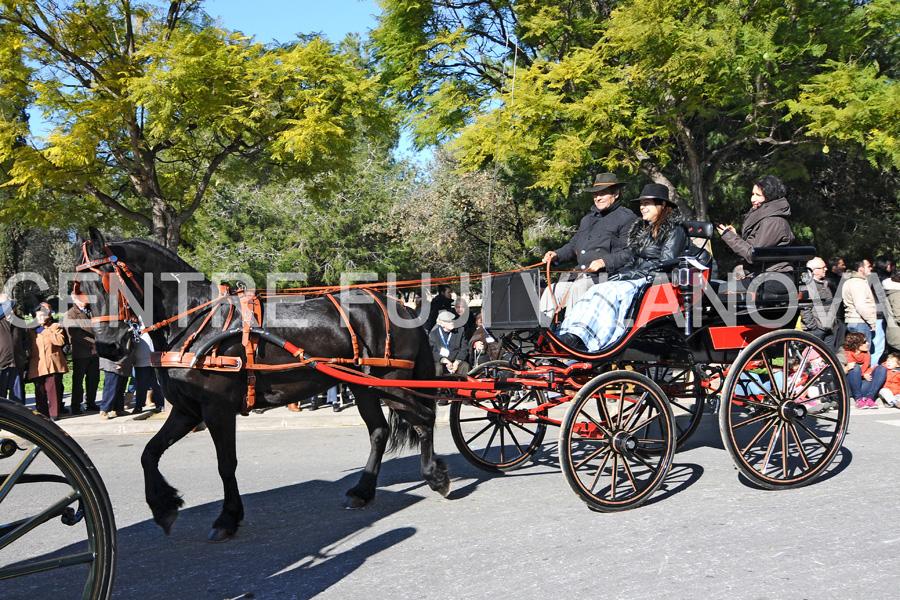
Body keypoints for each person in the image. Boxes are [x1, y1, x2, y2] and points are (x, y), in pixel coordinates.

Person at [557, 183, 687, 353]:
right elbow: (631, 258)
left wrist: (631, 275)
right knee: (598, 289)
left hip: (653, 281)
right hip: (637, 277)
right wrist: (622, 273)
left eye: (647, 204)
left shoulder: (675, 230)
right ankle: (572, 332)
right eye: (641, 204)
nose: (642, 208)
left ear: (661, 205)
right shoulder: (642, 230)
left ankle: (587, 338)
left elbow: (665, 264)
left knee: (608, 291)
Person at [540, 173, 638, 321]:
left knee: (579, 288)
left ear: (616, 194)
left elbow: (629, 252)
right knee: (552, 290)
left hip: (607, 278)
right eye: (595, 194)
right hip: (580, 276)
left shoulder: (627, 217)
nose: (598, 198)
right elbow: (573, 245)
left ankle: (571, 337)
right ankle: (543, 337)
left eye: (603, 194)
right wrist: (556, 255)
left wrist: (603, 261)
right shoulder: (587, 219)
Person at [716, 175, 795, 278]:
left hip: (773, 277)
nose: (753, 199)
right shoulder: (765, 218)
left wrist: (730, 237)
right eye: (753, 194)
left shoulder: (773, 222)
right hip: (762, 275)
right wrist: (735, 236)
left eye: (758, 195)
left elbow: (754, 255)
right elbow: (753, 248)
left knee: (721, 290)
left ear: (770, 197)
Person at [27, 303, 68, 420]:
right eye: (39, 316)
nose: (42, 318)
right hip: (37, 364)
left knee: (53, 389)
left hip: (53, 364)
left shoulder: (55, 326)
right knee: (39, 391)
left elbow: (60, 341)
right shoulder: (30, 330)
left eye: (44, 315)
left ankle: (54, 413)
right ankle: (42, 414)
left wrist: (44, 331)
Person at [63, 294, 100, 413]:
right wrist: (92, 345)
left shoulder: (92, 311)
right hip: (81, 352)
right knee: (78, 381)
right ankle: (75, 405)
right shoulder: (70, 314)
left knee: (94, 379)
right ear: (74, 299)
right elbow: (75, 334)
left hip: (95, 353)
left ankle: (90, 402)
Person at [842, 259, 880, 362]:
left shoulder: (849, 281)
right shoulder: (858, 283)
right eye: (868, 266)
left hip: (853, 320)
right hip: (860, 321)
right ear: (861, 269)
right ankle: (861, 376)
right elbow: (861, 305)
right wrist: (872, 321)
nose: (871, 268)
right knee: (862, 355)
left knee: (855, 352)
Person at [839, 331, 886, 409]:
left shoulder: (866, 353)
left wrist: (866, 373)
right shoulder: (843, 353)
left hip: (862, 384)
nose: (867, 343)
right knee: (855, 367)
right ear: (856, 345)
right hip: (849, 386)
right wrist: (847, 368)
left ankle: (869, 398)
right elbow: (836, 373)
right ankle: (858, 400)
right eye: (864, 342)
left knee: (881, 369)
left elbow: (867, 370)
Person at [800, 257, 836, 345]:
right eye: (822, 267)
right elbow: (805, 308)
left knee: (829, 356)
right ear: (814, 270)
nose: (826, 269)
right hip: (817, 330)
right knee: (813, 357)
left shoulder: (824, 283)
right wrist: (814, 327)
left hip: (828, 328)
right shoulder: (807, 285)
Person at [0, 294, 27, 404]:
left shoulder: (20, 321)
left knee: (18, 399)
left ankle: (19, 420)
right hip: (1, 364)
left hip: (17, 363)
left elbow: (26, 340)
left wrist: (25, 356)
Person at [429, 310, 469, 376]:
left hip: (456, 360)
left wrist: (457, 361)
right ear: (441, 323)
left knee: (465, 366)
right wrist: (444, 360)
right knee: (437, 367)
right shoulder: (434, 334)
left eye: (452, 320)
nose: (452, 323)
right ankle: (439, 386)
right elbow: (433, 351)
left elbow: (464, 349)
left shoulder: (460, 331)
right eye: (448, 321)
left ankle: (463, 386)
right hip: (442, 361)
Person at [99, 346, 135, 420]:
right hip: (114, 363)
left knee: (121, 388)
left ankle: (118, 409)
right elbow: (111, 345)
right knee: (111, 388)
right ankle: (104, 410)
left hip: (125, 363)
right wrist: (118, 362)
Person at [132, 331, 163, 415]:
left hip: (155, 360)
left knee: (157, 385)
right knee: (141, 386)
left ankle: (160, 404)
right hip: (141, 362)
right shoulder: (135, 328)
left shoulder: (150, 328)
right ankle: (139, 406)